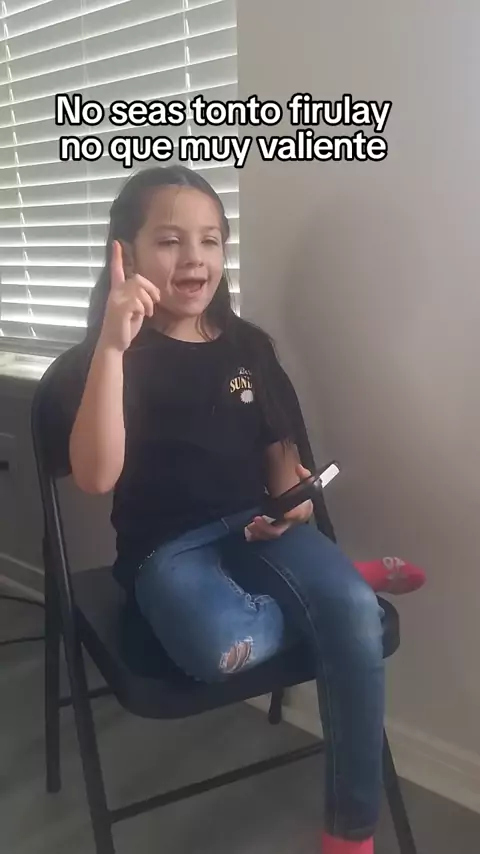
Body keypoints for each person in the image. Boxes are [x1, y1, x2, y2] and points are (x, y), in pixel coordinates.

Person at [60, 165, 421, 854]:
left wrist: (296, 498)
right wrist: (110, 345)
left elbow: (279, 454)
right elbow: (96, 475)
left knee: (349, 618)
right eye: (170, 241)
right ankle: (346, 592)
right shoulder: (113, 355)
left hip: (260, 529)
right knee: (226, 648)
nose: (194, 258)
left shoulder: (248, 346)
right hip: (169, 553)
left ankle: (350, 835)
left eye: (210, 240)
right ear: (125, 254)